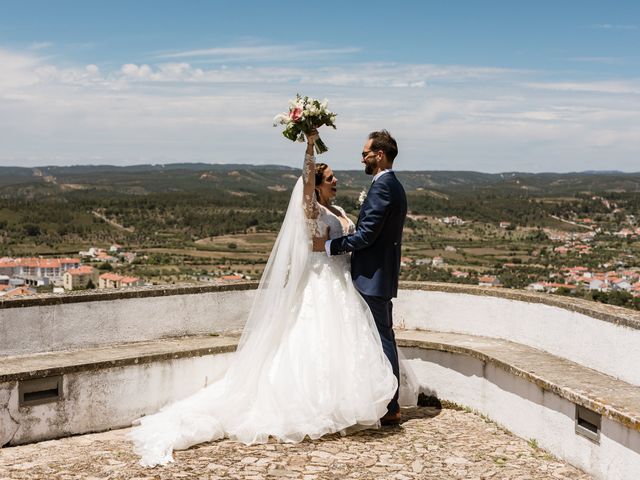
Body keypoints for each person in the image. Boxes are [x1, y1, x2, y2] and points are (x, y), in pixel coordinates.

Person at [130, 129, 400, 467]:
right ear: (316, 185)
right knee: (314, 342)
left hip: (342, 283)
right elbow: (307, 185)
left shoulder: (339, 209)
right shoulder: (312, 208)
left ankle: (361, 402)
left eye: (334, 178)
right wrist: (310, 146)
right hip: (321, 281)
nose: (336, 182)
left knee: (347, 343)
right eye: (330, 178)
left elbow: (358, 234)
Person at [313, 130, 407, 425]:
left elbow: (366, 236)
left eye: (366, 153)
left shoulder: (382, 188)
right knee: (379, 338)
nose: (362, 158)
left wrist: (328, 245)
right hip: (378, 274)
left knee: (381, 340)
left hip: (372, 275)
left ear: (379, 155)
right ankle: (384, 401)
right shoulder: (393, 185)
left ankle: (390, 406)